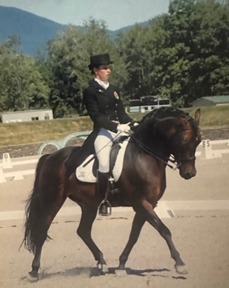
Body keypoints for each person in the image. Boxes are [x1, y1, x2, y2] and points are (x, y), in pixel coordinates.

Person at [83, 53, 133, 215]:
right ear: (96, 71)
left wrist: (133, 123)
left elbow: (122, 113)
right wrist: (116, 127)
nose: (108, 70)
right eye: (105, 68)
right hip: (103, 131)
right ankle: (103, 200)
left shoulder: (113, 90)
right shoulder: (90, 91)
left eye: (108, 67)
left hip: (119, 129)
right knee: (104, 163)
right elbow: (96, 116)